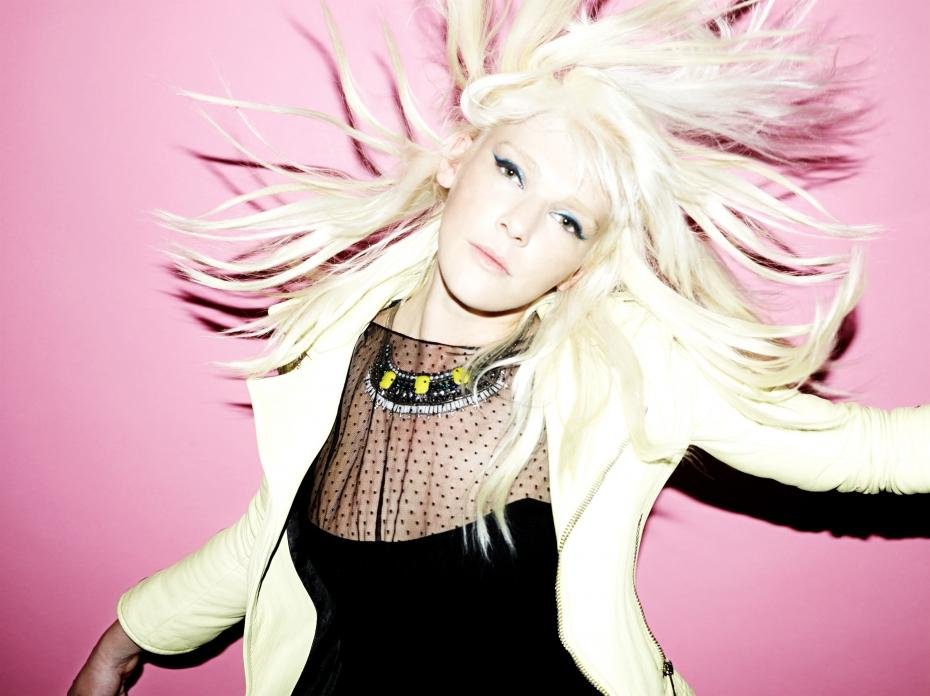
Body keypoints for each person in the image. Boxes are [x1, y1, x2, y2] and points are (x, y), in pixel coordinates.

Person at [69, 0, 929, 694]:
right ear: (457, 158)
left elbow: (871, 455)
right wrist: (125, 638)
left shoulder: (626, 368)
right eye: (512, 170)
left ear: (585, 258)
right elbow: (270, 535)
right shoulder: (335, 342)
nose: (518, 224)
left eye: (567, 219)